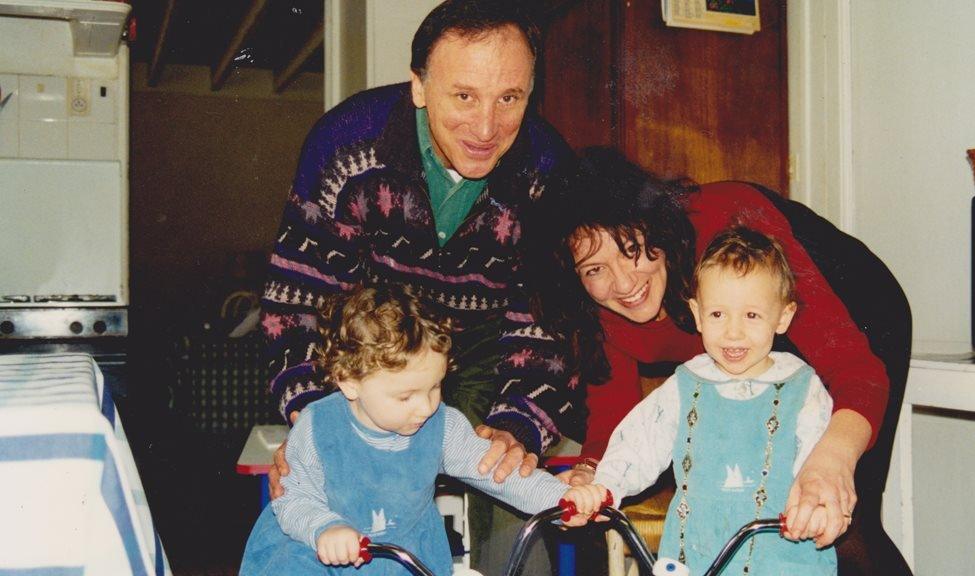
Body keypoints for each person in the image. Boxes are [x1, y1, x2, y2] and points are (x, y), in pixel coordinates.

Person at [259, 1, 585, 569]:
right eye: (464, 96)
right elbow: (299, 298)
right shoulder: (344, 145)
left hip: (487, 346)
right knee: (320, 505)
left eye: (509, 98)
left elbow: (547, 324)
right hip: (373, 344)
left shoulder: (547, 174)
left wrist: (518, 426)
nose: (486, 128)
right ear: (418, 86)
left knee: (510, 494)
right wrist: (316, 418)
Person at [528, 147, 913, 574]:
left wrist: (834, 459)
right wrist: (589, 476)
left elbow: (853, 368)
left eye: (632, 249)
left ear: (654, 228)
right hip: (749, 344)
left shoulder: (727, 221)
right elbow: (615, 417)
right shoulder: (598, 307)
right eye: (594, 269)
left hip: (853, 311)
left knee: (837, 517)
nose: (623, 283)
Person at [241, 284, 601, 575]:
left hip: (401, 558)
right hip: (317, 553)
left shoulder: (440, 425)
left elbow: (498, 471)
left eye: (435, 387)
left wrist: (557, 495)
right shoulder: (317, 426)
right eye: (405, 396)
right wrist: (325, 529)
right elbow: (292, 499)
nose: (427, 406)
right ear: (350, 382)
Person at [584, 226, 838, 573]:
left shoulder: (802, 389)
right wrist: (603, 488)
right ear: (698, 313)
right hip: (697, 555)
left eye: (751, 315)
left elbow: (819, 466)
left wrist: (817, 508)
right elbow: (638, 445)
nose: (733, 332)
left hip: (782, 559)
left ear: (783, 317)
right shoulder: (685, 385)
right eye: (718, 314)